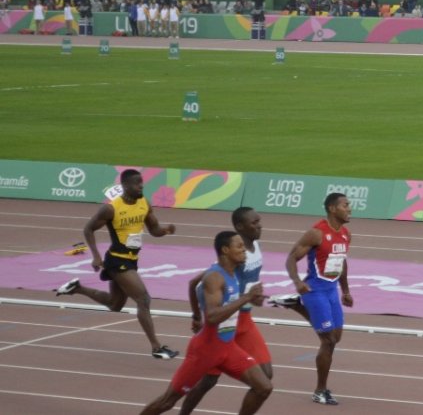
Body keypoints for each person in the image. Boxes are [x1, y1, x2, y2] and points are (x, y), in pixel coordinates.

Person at [140, 231, 273, 415]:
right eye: (239, 246)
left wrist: (249, 298)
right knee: (167, 401)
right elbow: (211, 317)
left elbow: (198, 285)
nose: (245, 251)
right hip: (205, 351)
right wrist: (246, 298)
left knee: (264, 387)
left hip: (228, 348)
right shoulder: (214, 277)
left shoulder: (231, 272)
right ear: (225, 250)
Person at [55, 168, 179, 359]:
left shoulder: (144, 203)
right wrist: (95, 256)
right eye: (137, 183)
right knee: (143, 299)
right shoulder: (111, 208)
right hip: (117, 260)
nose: (141, 186)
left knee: (115, 305)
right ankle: (156, 347)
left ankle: (77, 288)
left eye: (142, 182)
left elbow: (153, 229)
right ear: (125, 186)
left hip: (132, 259)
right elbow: (88, 229)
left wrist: (166, 230)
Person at [177, 208, 272, 415]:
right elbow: (195, 282)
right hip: (224, 324)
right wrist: (196, 316)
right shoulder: (230, 258)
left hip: (244, 320)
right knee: (208, 380)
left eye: (259, 221)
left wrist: (255, 298)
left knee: (266, 377)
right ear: (240, 227)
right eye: (254, 222)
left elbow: (248, 286)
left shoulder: (254, 246)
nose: (259, 225)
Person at [275, 193, 354, 405]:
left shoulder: (346, 234)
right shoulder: (316, 233)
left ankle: (297, 306)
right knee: (327, 341)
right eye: (345, 205)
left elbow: (341, 262)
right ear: (332, 208)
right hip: (315, 290)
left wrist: (345, 291)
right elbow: (292, 257)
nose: (350, 209)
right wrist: (297, 283)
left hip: (331, 291)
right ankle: (320, 390)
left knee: (335, 338)